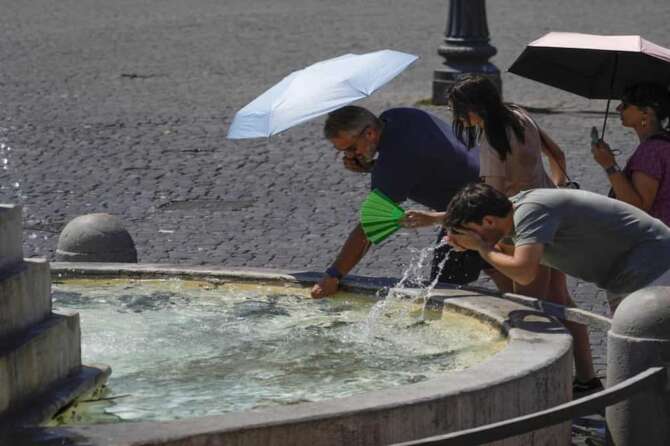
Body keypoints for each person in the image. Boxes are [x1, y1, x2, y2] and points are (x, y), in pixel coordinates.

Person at [407, 75, 599, 394]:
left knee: (527, 306)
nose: (458, 119)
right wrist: (557, 189)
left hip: (524, 223)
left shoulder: (491, 141)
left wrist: (437, 220)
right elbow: (558, 153)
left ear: (473, 109)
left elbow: (491, 206)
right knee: (560, 300)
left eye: (458, 111)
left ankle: (539, 386)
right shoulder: (519, 113)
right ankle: (587, 376)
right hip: (554, 212)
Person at [310, 105, 483, 299]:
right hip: (491, 187)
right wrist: (372, 167)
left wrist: (333, 275)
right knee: (504, 272)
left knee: (442, 295)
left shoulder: (394, 164)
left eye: (351, 148)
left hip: (477, 212)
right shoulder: (396, 116)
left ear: (370, 133)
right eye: (342, 151)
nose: (349, 156)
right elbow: (418, 163)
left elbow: (370, 227)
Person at [443, 183, 670, 313]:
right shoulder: (513, 216)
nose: (473, 237)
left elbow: (523, 272)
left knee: (644, 356)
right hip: (630, 274)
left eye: (472, 231)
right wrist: (472, 243)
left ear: (489, 221)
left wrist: (482, 248)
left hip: (654, 264)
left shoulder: (531, 211)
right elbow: (510, 260)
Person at [592, 82, 670, 226]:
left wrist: (610, 165)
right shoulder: (663, 143)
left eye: (625, 104)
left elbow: (639, 209)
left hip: (655, 242)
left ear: (646, 112)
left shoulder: (652, 150)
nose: (618, 108)